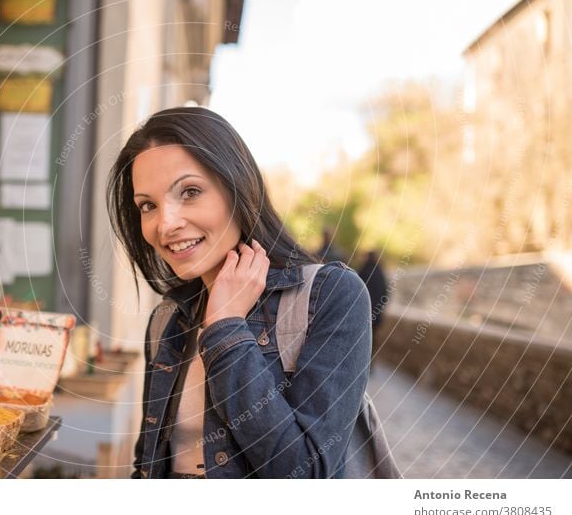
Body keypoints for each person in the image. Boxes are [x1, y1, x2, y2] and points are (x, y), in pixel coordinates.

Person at [106, 107, 372, 479]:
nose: (165, 224)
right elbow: (148, 464)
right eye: (148, 205)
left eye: (190, 191)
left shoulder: (331, 297)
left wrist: (227, 328)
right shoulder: (167, 318)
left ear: (238, 188)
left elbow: (307, 475)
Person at [357, 250, 389, 367]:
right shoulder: (380, 273)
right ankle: (369, 364)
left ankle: (360, 364)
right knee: (372, 340)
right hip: (376, 315)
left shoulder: (363, 272)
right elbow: (385, 294)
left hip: (363, 314)